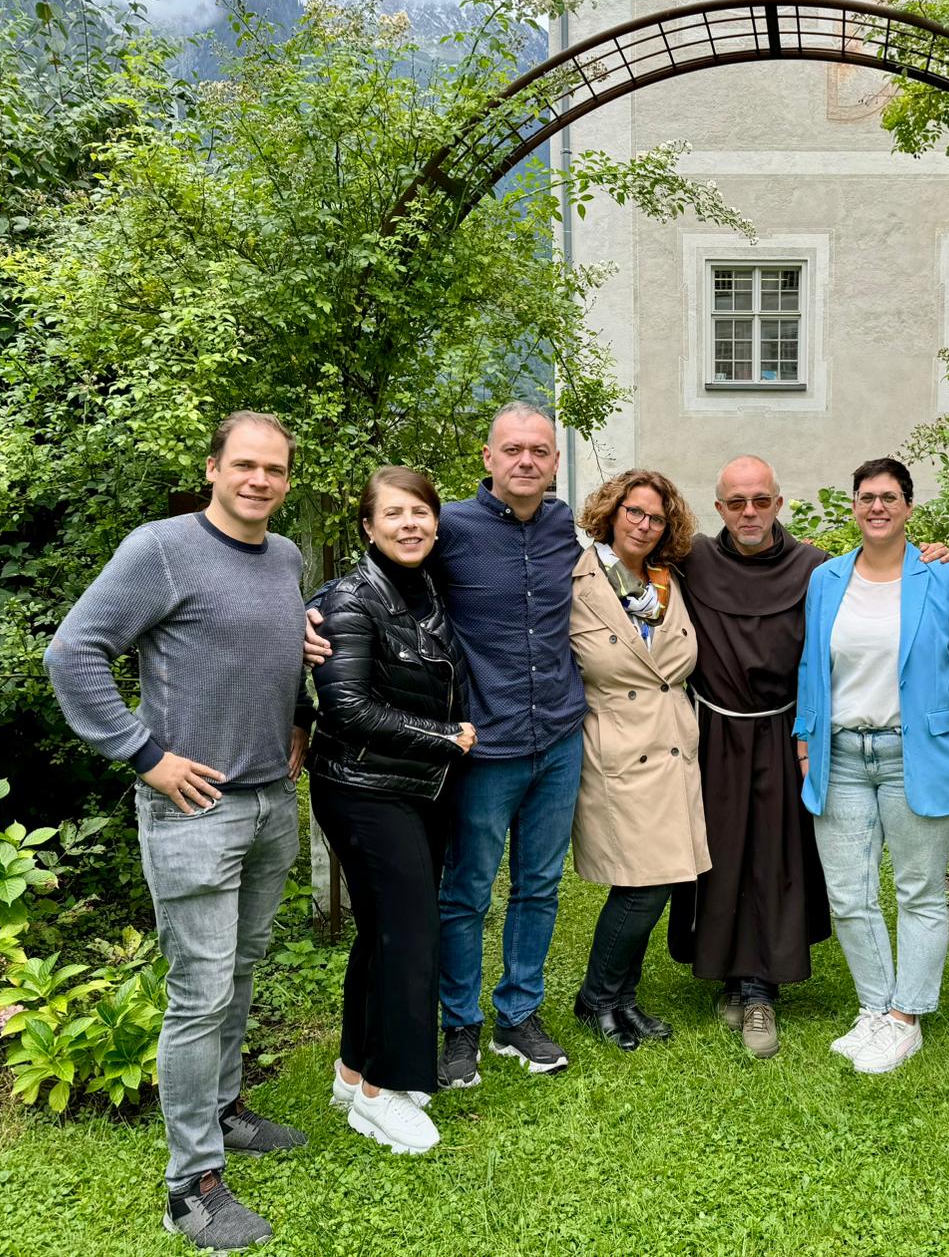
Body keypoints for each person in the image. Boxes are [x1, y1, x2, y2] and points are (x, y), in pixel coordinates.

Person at [45, 412, 311, 1251]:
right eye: (245, 465)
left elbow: (267, 655)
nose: (259, 480)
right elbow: (74, 652)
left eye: (274, 469)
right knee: (198, 995)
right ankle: (188, 1186)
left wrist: (299, 716)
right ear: (213, 469)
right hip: (193, 805)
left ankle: (226, 1110)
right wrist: (144, 754)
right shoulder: (158, 549)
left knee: (239, 970)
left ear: (286, 480)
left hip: (270, 801)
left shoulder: (287, 557)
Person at [305, 402, 583, 1089]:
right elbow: (351, 590)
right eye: (512, 449)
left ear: (553, 461)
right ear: (487, 458)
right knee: (466, 893)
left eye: (540, 450)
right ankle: (459, 1026)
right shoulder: (447, 525)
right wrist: (301, 625)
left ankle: (519, 1014)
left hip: (558, 736)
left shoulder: (561, 524)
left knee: (540, 885)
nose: (526, 460)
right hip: (483, 746)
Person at [308, 466, 476, 1157]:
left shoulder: (432, 591)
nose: (411, 524)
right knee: (411, 934)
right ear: (368, 527)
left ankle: (353, 1072)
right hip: (363, 788)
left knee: (382, 933)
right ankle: (386, 1092)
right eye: (395, 514)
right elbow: (345, 707)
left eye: (421, 512)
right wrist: (445, 738)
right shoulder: (348, 601)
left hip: (414, 788)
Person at [794, 458, 949, 1074]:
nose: (878, 507)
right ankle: (875, 1008)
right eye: (867, 497)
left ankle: (907, 1017)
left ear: (907, 506)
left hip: (917, 753)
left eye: (890, 497)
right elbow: (810, 667)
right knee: (848, 893)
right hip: (840, 754)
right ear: (854, 505)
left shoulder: (942, 578)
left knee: (919, 891)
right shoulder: (826, 580)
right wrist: (804, 740)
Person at [668, 456, 832, 1059]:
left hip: (785, 732)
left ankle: (761, 989)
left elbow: (883, 581)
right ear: (719, 510)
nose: (749, 512)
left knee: (774, 856)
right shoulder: (692, 562)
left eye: (761, 500)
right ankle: (730, 973)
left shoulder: (814, 567)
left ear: (778, 503)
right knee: (720, 855)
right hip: (711, 731)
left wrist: (936, 555)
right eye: (736, 502)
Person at [568, 470, 711, 1049]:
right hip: (616, 748)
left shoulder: (670, 582)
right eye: (635, 512)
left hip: (674, 746)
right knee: (642, 885)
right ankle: (597, 998)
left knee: (660, 877)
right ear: (613, 511)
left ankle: (622, 997)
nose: (644, 525)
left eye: (656, 518)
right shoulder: (576, 579)